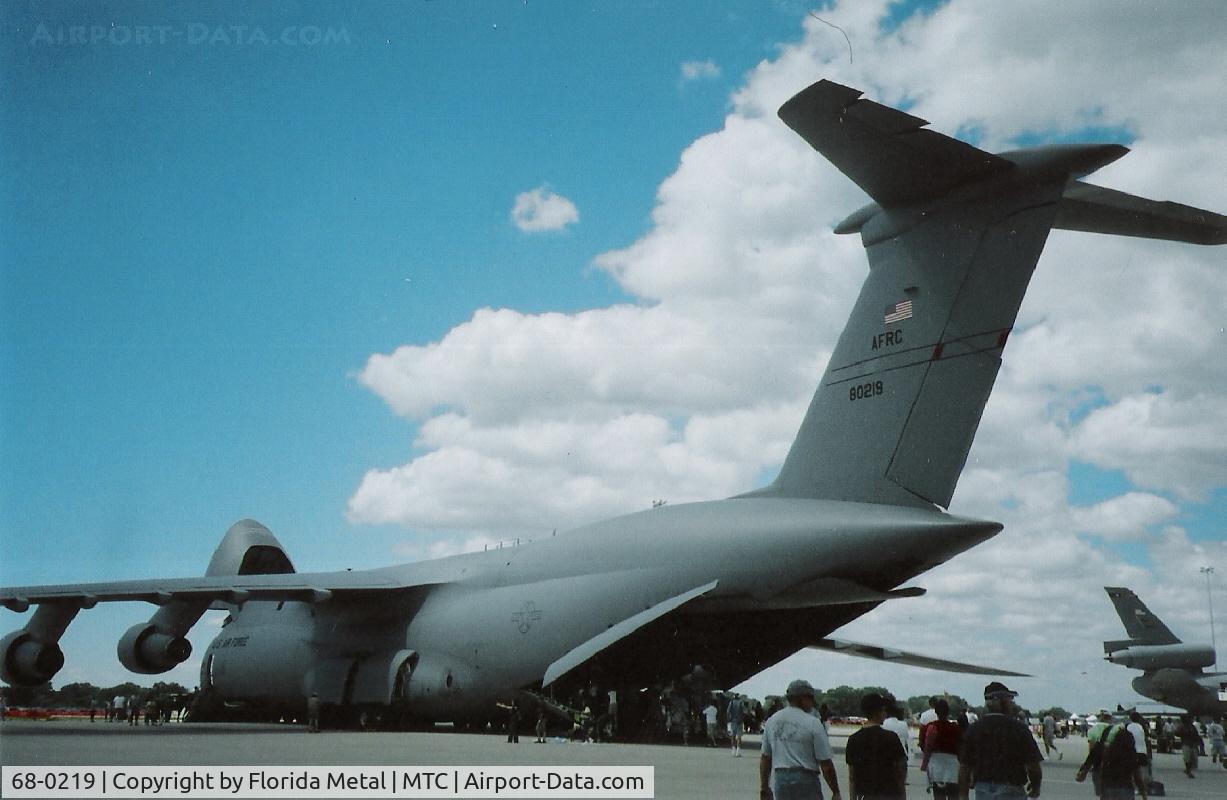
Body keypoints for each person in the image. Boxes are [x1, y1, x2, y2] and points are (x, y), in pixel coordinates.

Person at [759, 679, 842, 800]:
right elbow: (825, 763)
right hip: (806, 778)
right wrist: (835, 791)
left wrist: (764, 787)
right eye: (810, 698)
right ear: (802, 698)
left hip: (781, 779)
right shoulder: (813, 723)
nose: (812, 702)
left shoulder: (772, 721)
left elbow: (765, 758)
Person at [957, 681, 1042, 800]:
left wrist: (963, 795)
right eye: (1009, 699)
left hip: (983, 789)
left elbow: (965, 767)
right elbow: (1033, 765)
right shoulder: (1019, 729)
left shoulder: (974, 729)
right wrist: (1035, 786)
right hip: (1012, 789)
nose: (1011, 703)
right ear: (1002, 701)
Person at [845, 692, 906, 800]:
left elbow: (852, 777)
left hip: (865, 795)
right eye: (883, 710)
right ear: (877, 712)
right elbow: (900, 772)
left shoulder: (853, 739)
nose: (885, 714)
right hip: (889, 794)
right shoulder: (891, 738)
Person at [1075, 716, 1147, 800]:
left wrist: (1084, 771)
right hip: (1126, 789)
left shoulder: (1107, 754)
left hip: (1107, 788)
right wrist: (1143, 793)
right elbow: (1137, 775)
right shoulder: (1130, 755)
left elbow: (1094, 754)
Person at [921, 698, 962, 800]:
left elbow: (924, 745)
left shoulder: (930, 727)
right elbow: (961, 746)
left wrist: (925, 762)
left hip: (936, 765)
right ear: (948, 711)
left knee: (939, 795)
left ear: (936, 711)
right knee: (954, 795)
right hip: (953, 765)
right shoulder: (956, 728)